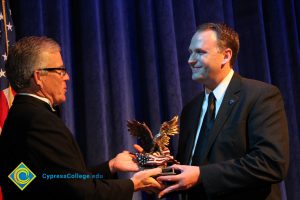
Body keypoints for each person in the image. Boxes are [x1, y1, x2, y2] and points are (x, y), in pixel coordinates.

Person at [0, 36, 162, 200]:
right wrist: (134, 184)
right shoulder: (39, 121)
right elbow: (80, 193)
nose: (67, 77)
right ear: (38, 77)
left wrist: (110, 166)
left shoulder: (21, 114)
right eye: (60, 70)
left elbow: (60, 181)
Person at [157, 23, 289, 199]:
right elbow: (192, 168)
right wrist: (163, 164)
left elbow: (270, 163)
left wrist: (201, 176)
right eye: (190, 52)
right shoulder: (190, 109)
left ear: (226, 56)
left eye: (200, 52)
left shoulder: (260, 96)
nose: (190, 60)